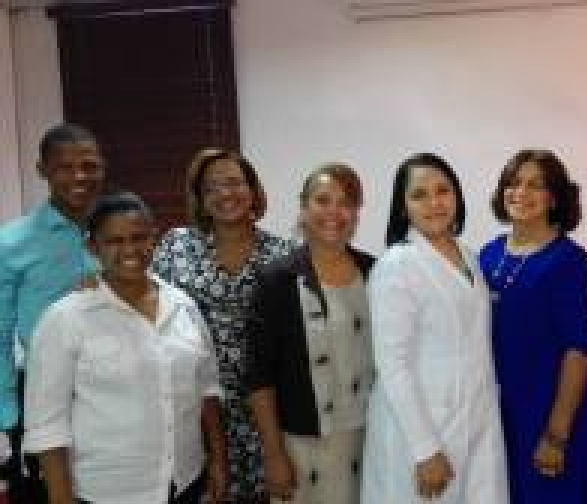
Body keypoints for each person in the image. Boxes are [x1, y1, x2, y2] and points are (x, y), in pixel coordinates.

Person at [23, 192, 227, 504]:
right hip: (106, 492)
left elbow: (207, 390)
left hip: (185, 481)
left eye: (138, 238)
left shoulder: (183, 306)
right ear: (93, 247)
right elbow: (47, 426)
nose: (130, 249)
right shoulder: (65, 319)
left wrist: (218, 460)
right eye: (114, 241)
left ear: (153, 239)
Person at [360, 153, 509, 503]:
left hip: (477, 419)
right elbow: (392, 364)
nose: (434, 203)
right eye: (419, 195)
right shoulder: (396, 265)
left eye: (443, 190)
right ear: (403, 207)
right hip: (422, 433)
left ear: (457, 196)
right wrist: (425, 449)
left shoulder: (468, 256)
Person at [152, 148, 296, 502]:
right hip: (196, 407)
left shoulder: (284, 254)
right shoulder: (176, 246)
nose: (224, 194)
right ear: (200, 199)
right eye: (211, 187)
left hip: (267, 408)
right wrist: (96, 280)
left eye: (233, 182)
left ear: (252, 189)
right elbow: (142, 296)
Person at [479, 149, 587, 503]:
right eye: (514, 183)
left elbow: (579, 350)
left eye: (536, 185)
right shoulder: (487, 255)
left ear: (554, 198)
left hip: (556, 413)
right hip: (505, 413)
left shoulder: (567, 261)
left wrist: (557, 435)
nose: (521, 192)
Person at [247, 163, 375, 504]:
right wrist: (273, 454)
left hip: (369, 438)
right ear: (304, 207)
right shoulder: (276, 281)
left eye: (346, 202)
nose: (334, 211)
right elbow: (259, 377)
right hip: (300, 448)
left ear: (356, 212)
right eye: (323, 200)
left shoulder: (374, 271)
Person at [0, 123, 105, 503]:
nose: (79, 177)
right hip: (43, 393)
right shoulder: (11, 242)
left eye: (89, 165)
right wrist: (9, 414)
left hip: (113, 387)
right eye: (65, 167)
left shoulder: (119, 234)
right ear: (42, 170)